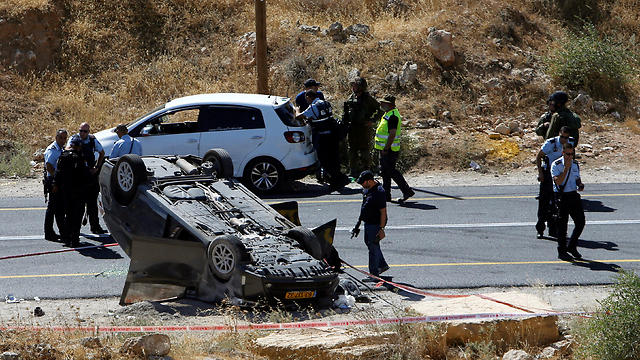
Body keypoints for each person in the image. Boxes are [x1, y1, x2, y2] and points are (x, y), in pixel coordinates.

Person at [295, 90, 350, 190]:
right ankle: (338, 179)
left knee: (325, 160)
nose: (306, 100)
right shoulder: (325, 103)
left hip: (323, 137)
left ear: (308, 97)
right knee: (334, 159)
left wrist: (297, 110)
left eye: (306, 98)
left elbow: (299, 117)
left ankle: (338, 180)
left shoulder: (313, 107)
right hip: (333, 136)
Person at [535, 126, 575, 239]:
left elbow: (571, 158)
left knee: (557, 204)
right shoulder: (551, 143)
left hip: (560, 173)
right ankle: (540, 229)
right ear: (559, 134)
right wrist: (541, 174)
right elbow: (539, 156)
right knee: (544, 202)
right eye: (562, 137)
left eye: (566, 137)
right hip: (548, 174)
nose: (564, 140)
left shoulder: (570, 142)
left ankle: (553, 229)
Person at [374, 95, 415, 203]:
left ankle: (407, 191)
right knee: (385, 172)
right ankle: (386, 195)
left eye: (384, 103)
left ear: (390, 105)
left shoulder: (392, 116)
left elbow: (392, 134)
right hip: (385, 148)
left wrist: (386, 149)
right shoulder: (388, 114)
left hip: (389, 150)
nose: (381, 104)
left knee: (391, 171)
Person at [351, 170, 390, 279]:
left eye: (363, 183)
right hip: (368, 223)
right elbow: (363, 208)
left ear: (369, 181)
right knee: (371, 244)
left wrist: (381, 228)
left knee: (373, 248)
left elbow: (383, 212)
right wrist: (357, 225)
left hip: (375, 224)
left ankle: (374, 274)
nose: (362, 185)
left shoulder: (379, 192)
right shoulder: (367, 190)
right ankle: (382, 265)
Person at [70, 122, 106, 234]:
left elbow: (102, 153)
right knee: (77, 203)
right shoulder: (74, 139)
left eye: (85, 131)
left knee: (92, 203)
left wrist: (96, 167)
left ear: (88, 132)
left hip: (90, 175)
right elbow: (67, 149)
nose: (82, 133)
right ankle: (74, 228)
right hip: (78, 175)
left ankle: (95, 226)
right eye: (81, 131)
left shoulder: (92, 140)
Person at [53, 136, 90, 247]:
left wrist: (56, 185)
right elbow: (85, 175)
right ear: (79, 147)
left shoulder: (63, 156)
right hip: (79, 191)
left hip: (66, 191)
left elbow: (58, 173)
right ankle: (75, 239)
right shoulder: (80, 158)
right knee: (77, 216)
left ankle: (68, 238)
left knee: (68, 215)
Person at [551, 142, 585, 261]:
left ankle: (572, 246)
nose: (570, 157)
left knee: (580, 222)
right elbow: (558, 182)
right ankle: (562, 250)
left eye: (572, 154)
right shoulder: (557, 164)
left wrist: (580, 184)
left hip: (573, 195)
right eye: (568, 154)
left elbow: (576, 178)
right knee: (562, 224)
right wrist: (566, 168)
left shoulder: (575, 164)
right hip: (562, 196)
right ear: (563, 152)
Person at [343, 77, 380, 177]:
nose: (353, 87)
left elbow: (380, 109)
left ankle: (367, 171)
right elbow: (346, 113)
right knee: (352, 150)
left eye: (355, 85)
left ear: (360, 87)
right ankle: (353, 171)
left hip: (363, 128)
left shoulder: (368, 99)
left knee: (365, 151)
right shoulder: (351, 98)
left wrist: (372, 120)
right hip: (352, 128)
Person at [43, 129, 68, 241]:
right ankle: (48, 233)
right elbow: (49, 166)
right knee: (52, 208)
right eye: (61, 138)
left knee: (59, 208)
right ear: (56, 137)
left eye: (64, 138)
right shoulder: (52, 150)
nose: (63, 140)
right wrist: (56, 181)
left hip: (58, 180)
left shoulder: (61, 149)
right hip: (53, 181)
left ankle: (61, 232)